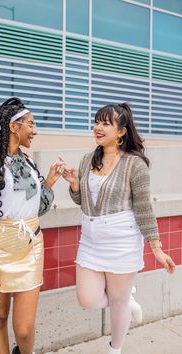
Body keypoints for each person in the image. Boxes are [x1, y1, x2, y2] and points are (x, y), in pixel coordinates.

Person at [62, 103, 176, 354]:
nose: (98, 128)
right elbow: (82, 202)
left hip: (122, 242)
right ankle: (125, 302)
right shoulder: (86, 160)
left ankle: (115, 348)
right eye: (96, 122)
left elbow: (144, 208)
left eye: (105, 123)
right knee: (87, 299)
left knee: (117, 303)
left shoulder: (135, 164)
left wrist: (157, 248)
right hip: (91, 242)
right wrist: (73, 184)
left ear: (122, 131)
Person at [0, 97, 65, 354]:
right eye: (31, 124)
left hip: (31, 248)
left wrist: (51, 181)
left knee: (23, 329)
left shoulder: (30, 165)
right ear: (14, 126)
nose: (35, 131)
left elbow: (38, 210)